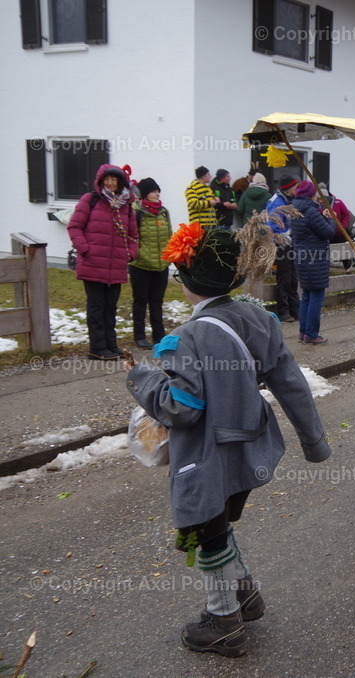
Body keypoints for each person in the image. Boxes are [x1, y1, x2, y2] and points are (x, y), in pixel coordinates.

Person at [126, 223, 331, 657]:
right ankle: (245, 594)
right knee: (216, 525)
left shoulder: (188, 338)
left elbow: (182, 406)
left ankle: (223, 622)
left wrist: (142, 380)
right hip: (250, 447)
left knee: (206, 531)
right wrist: (314, 441)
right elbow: (291, 383)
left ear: (185, 281)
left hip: (206, 457)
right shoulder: (259, 317)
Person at [67, 164, 139, 360]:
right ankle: (97, 348)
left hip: (115, 266)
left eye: (114, 179)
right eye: (106, 179)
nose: (110, 183)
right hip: (93, 263)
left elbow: (133, 235)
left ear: (120, 182)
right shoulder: (90, 200)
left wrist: (129, 254)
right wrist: (85, 249)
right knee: (97, 307)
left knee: (111, 307)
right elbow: (74, 227)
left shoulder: (126, 206)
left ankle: (110, 344)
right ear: (100, 181)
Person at [289, 181, 336, 344]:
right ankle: (311, 334)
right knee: (316, 296)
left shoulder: (294, 211)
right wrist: (330, 219)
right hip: (315, 259)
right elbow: (328, 232)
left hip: (301, 258)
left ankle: (303, 332)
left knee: (307, 296)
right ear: (311, 194)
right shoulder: (310, 211)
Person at [129, 177, 172, 349]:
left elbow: (169, 235)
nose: (157, 194)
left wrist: (170, 256)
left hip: (161, 264)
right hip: (141, 265)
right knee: (140, 300)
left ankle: (159, 334)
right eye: (153, 191)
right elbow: (131, 237)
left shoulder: (163, 211)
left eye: (158, 191)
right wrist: (139, 254)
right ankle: (139, 336)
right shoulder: (135, 211)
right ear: (145, 194)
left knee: (157, 301)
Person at [266, 175, 300, 322]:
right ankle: (283, 311)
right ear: (288, 188)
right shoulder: (277, 203)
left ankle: (295, 310)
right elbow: (272, 227)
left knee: (293, 278)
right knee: (284, 278)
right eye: (295, 187)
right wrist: (289, 235)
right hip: (281, 245)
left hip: (289, 244)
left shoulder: (286, 200)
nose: (297, 190)